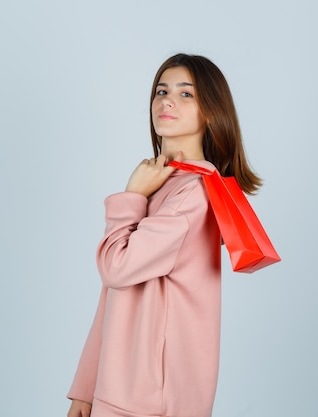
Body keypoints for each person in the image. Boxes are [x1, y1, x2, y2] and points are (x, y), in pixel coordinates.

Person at [66, 53, 262, 417]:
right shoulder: (162, 183)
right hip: (121, 391)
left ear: (210, 110)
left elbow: (117, 269)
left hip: (149, 401)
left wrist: (131, 197)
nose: (167, 100)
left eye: (186, 94)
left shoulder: (193, 192)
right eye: (161, 90)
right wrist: (86, 389)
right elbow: (113, 297)